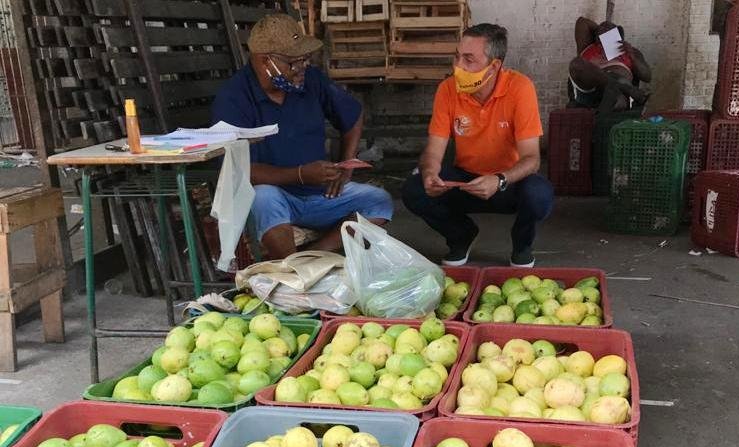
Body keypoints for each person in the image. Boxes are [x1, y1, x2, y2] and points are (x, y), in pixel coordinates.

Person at [211, 14, 393, 260]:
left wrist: (346, 168)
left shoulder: (312, 80)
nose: (302, 67)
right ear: (266, 61)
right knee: (262, 197)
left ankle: (309, 258)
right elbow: (236, 170)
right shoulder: (234, 98)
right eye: (293, 62)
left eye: (305, 59)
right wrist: (299, 174)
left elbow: (353, 115)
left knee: (379, 201)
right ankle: (293, 268)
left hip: (321, 194)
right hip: (278, 199)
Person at [401, 23, 553, 268]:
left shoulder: (520, 88)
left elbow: (532, 159)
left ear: (494, 66)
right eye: (457, 57)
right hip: (466, 183)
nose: (458, 66)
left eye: (469, 60)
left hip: (507, 184)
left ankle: (522, 244)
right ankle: (461, 236)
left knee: (539, 195)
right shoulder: (447, 89)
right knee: (414, 188)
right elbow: (433, 151)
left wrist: (499, 180)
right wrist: (430, 174)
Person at [568, 17, 651, 114]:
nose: (604, 28)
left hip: (618, 88)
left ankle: (618, 92)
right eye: (600, 28)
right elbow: (582, 22)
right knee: (576, 63)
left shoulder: (631, 50)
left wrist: (632, 57)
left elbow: (647, 76)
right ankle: (623, 88)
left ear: (617, 33)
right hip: (592, 88)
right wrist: (603, 31)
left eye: (609, 28)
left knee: (616, 93)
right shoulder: (587, 47)